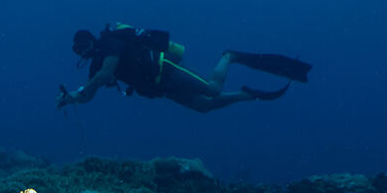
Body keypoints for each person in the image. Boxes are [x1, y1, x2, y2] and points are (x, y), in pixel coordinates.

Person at [58, 24, 311, 113]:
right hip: (158, 88)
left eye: (84, 45)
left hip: (165, 69)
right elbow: (90, 94)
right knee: (204, 107)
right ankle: (246, 95)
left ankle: (229, 56)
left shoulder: (109, 43)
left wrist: (84, 88)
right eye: (77, 50)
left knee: (211, 90)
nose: (83, 51)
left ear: (92, 39)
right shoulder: (95, 64)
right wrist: (74, 98)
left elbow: (104, 76)